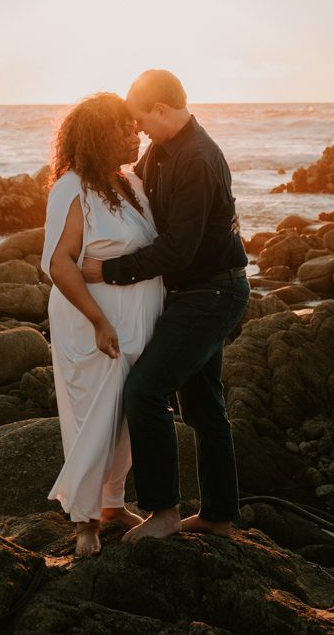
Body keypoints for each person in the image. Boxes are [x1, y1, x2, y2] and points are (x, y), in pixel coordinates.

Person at [82, 69, 250, 542]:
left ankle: (164, 513)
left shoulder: (197, 158)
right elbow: (135, 198)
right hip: (197, 291)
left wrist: (108, 271)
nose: (137, 131)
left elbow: (178, 248)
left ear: (160, 110)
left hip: (212, 294)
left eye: (140, 121)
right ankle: (218, 516)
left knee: (144, 392)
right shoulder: (163, 149)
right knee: (203, 408)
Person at [41, 92, 164, 557]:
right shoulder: (72, 188)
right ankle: (85, 523)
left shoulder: (128, 183)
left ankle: (112, 503)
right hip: (95, 323)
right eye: (124, 127)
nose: (135, 133)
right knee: (95, 417)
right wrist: (98, 320)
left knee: (127, 418)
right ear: (99, 136)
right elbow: (61, 263)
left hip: (136, 321)